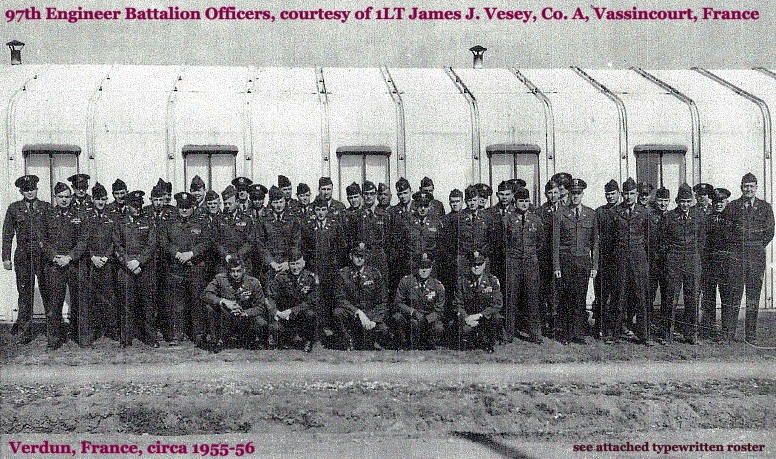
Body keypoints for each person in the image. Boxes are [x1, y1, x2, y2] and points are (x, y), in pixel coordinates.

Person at [721, 173, 774, 344]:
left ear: (756, 188)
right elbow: (725, 230)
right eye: (746, 186)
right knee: (733, 295)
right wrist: (737, 246)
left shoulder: (765, 207)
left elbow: (770, 231)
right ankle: (729, 334)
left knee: (753, 297)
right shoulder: (733, 207)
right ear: (741, 187)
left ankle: (750, 335)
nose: (748, 189)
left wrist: (755, 245)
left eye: (752, 186)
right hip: (736, 257)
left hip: (756, 258)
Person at [3, 175, 51, 344]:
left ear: (37, 189)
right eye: (26, 190)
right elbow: (7, 234)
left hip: (43, 255)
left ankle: (52, 330)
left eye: (32, 189)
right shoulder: (14, 208)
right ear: (21, 191)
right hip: (23, 255)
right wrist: (6, 258)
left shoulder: (46, 207)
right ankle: (26, 330)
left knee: (48, 291)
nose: (30, 192)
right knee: (25, 294)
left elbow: (53, 232)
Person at [161, 191, 213, 347]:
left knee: (197, 302)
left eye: (187, 207)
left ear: (193, 207)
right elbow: (163, 241)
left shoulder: (201, 222)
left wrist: (191, 253)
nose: (184, 210)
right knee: (176, 304)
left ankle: (198, 334)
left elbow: (206, 242)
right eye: (181, 207)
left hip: (195, 268)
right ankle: (176, 334)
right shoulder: (169, 222)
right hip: (175, 269)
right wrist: (176, 253)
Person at [552, 179, 598, 345]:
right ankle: (565, 334)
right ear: (569, 194)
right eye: (573, 193)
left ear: (582, 194)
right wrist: (556, 265)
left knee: (580, 298)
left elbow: (595, 243)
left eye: (578, 193)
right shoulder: (560, 214)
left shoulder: (591, 214)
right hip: (566, 262)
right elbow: (555, 242)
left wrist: (594, 265)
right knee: (566, 298)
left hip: (583, 262)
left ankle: (578, 333)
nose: (575, 196)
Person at [39, 182, 84, 349]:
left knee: (79, 302)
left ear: (71, 197)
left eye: (67, 196)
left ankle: (80, 336)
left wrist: (70, 257)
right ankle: (53, 340)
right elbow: (42, 240)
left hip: (73, 264)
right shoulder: (48, 215)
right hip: (55, 266)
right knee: (54, 304)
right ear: (55, 198)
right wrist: (54, 257)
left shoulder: (79, 215)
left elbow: (83, 240)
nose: (64, 200)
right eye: (60, 197)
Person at [659, 184, 706, 344]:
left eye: (688, 201)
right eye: (682, 201)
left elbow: (702, 240)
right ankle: (667, 334)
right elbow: (663, 241)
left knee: (692, 298)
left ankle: (691, 334)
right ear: (677, 201)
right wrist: (671, 257)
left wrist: (694, 255)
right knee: (670, 298)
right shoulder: (669, 217)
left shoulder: (698, 216)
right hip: (674, 260)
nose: (685, 205)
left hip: (692, 260)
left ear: (691, 201)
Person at [608, 177, 652, 345]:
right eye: (625, 193)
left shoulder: (644, 212)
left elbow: (649, 240)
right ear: (621, 194)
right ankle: (615, 334)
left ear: (637, 194)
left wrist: (644, 259)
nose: (628, 197)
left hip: (639, 257)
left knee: (641, 296)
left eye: (632, 193)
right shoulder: (614, 213)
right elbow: (609, 239)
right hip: (619, 258)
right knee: (618, 296)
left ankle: (644, 335)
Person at [202, 256, 275, 352]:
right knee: (210, 308)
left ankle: (258, 340)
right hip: (227, 317)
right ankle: (215, 341)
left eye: (238, 271)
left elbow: (260, 306)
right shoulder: (220, 279)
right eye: (232, 271)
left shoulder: (253, 282)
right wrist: (223, 301)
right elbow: (206, 294)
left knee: (261, 323)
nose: (235, 274)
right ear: (228, 271)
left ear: (244, 270)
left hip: (246, 319)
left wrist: (245, 312)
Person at [113, 190, 158, 348]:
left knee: (148, 304)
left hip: (144, 269)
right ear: (127, 205)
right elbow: (117, 246)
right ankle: (126, 338)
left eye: (140, 205)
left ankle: (151, 338)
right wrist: (128, 263)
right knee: (126, 304)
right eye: (134, 206)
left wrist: (139, 262)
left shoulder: (148, 221)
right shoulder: (120, 222)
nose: (138, 208)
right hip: (126, 269)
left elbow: (151, 245)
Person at [78, 182, 118, 345]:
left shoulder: (113, 216)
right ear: (92, 200)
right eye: (97, 199)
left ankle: (112, 330)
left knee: (109, 297)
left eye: (103, 199)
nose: (101, 202)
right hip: (91, 263)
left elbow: (115, 240)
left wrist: (106, 256)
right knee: (91, 298)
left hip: (107, 262)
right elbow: (83, 240)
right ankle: (93, 331)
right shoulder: (86, 217)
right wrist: (92, 256)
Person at [503, 187, 545, 343]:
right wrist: (512, 256)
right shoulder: (507, 220)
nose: (524, 204)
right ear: (515, 202)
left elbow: (540, 242)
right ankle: (509, 333)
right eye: (521, 201)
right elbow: (503, 242)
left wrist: (530, 254)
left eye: (527, 201)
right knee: (511, 297)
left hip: (530, 262)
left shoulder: (536, 220)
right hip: (513, 262)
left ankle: (535, 333)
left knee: (532, 298)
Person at [302, 196, 347, 338]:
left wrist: (337, 268)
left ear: (327, 210)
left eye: (323, 210)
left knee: (330, 298)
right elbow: (305, 249)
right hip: (314, 269)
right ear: (313, 211)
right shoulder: (308, 227)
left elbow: (341, 248)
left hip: (331, 270)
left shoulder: (334, 226)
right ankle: (317, 331)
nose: (320, 213)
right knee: (316, 299)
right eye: (317, 210)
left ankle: (331, 331)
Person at [333, 242, 390, 350]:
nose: (359, 259)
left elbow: (383, 301)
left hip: (370, 314)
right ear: (351, 256)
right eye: (357, 256)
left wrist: (374, 320)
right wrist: (357, 312)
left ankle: (368, 340)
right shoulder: (343, 274)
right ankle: (347, 341)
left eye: (362, 256)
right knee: (337, 313)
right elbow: (340, 299)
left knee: (383, 331)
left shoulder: (374, 273)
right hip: (352, 313)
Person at [266, 249, 319, 352]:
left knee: (311, 314)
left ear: (303, 264)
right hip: (284, 316)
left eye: (298, 263)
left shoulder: (310, 278)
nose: (295, 267)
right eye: (292, 264)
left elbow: (312, 301)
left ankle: (308, 340)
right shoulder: (281, 278)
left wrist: (291, 311)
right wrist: (276, 312)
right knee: (275, 328)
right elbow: (270, 297)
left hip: (301, 315)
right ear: (288, 265)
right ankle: (285, 339)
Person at [391, 253, 446, 349]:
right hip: (410, 318)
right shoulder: (406, 281)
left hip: (428, 320)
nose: (424, 270)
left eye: (427, 267)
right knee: (398, 318)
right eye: (421, 267)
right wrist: (412, 312)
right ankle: (405, 343)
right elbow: (398, 303)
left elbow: (439, 310)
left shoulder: (437, 285)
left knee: (438, 327)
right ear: (417, 268)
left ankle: (428, 344)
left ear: (431, 268)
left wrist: (427, 319)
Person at [452, 250, 503, 353]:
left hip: (485, 318)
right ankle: (471, 340)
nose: (476, 267)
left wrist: (480, 315)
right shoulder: (461, 281)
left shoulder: (492, 280)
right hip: (469, 317)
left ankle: (489, 342)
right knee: (465, 331)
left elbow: (497, 304)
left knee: (497, 318)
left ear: (484, 265)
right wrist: (466, 317)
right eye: (474, 264)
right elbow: (457, 305)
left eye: (479, 264)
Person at [701, 188, 731, 341]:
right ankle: (708, 329)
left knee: (727, 297)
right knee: (708, 297)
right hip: (709, 263)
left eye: (721, 201)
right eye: (716, 202)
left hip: (726, 263)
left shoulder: (732, 219)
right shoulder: (707, 218)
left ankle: (726, 331)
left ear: (727, 202)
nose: (718, 204)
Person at [258, 186, 302, 288]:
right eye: (275, 202)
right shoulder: (263, 220)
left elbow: (296, 243)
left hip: (288, 265)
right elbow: (260, 244)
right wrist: (271, 262)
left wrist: (289, 262)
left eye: (281, 202)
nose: (279, 205)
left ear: (285, 202)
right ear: (271, 203)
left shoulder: (293, 219)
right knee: (270, 294)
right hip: (270, 266)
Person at [593, 179, 619, 338]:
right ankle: (601, 326)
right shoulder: (600, 212)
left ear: (618, 194)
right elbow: (595, 237)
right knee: (601, 294)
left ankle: (617, 326)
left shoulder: (623, 210)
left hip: (619, 258)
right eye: (607, 194)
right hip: (603, 258)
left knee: (618, 295)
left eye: (613, 194)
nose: (610, 197)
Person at [215, 185, 255, 274]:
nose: (227, 206)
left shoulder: (246, 219)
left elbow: (250, 241)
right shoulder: (218, 219)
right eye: (225, 204)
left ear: (237, 202)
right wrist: (225, 255)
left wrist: (238, 255)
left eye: (230, 203)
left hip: (242, 262)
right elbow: (215, 241)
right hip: (224, 263)